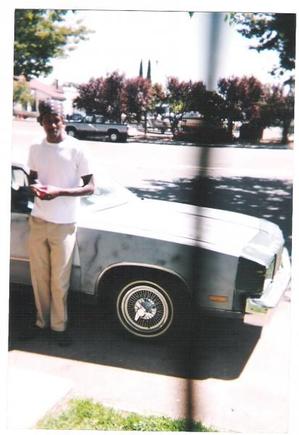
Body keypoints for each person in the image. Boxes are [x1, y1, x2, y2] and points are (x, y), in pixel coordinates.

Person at [23, 99, 95, 346]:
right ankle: (41, 323)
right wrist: (36, 189)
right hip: (38, 220)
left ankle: (58, 328)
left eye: (56, 120)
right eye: (47, 120)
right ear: (40, 122)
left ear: (63, 121)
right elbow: (32, 179)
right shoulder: (35, 148)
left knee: (59, 280)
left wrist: (59, 192)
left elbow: (90, 187)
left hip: (64, 224)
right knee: (39, 278)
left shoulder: (77, 149)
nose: (52, 124)